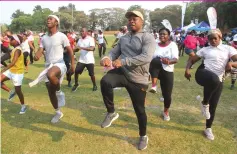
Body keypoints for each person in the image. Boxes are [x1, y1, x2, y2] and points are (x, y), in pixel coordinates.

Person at [100, 11, 156, 150]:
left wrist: (124, 61)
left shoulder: (147, 37)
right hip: (122, 73)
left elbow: (146, 57)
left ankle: (143, 136)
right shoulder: (124, 38)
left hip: (138, 79)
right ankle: (111, 112)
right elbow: (114, 51)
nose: (131, 21)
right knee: (105, 81)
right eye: (129, 19)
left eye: (134, 19)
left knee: (139, 110)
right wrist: (107, 58)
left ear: (142, 21)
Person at [184, 29, 237, 140]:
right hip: (203, 73)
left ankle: (208, 128)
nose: (213, 40)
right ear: (207, 39)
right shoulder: (205, 50)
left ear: (220, 38)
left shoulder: (228, 49)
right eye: (210, 38)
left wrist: (231, 63)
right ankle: (204, 103)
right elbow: (192, 60)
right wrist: (187, 69)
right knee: (213, 79)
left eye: (215, 38)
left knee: (213, 105)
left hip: (218, 80)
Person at [34, 15, 75, 123]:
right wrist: (37, 55)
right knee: (50, 92)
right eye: (47, 19)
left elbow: (70, 51)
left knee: (50, 75)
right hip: (48, 65)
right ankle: (58, 112)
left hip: (60, 64)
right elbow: (40, 49)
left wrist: (73, 65)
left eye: (51, 19)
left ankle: (60, 92)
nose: (48, 20)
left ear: (56, 23)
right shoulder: (44, 37)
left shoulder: (62, 36)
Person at [149, 28, 179, 121]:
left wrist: (168, 61)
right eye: (160, 34)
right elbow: (151, 59)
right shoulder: (155, 45)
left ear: (169, 35)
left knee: (167, 95)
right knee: (156, 60)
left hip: (167, 71)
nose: (162, 35)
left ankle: (166, 111)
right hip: (156, 71)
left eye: (164, 34)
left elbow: (176, 59)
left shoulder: (172, 45)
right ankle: (154, 85)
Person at [1, 34, 27, 114]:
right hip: (11, 71)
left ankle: (23, 106)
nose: (10, 40)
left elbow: (13, 63)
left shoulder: (18, 50)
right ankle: (11, 92)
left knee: (18, 91)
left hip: (18, 73)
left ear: (16, 41)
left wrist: (2, 70)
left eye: (12, 39)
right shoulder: (14, 49)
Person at [71, 28, 97, 92]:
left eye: (83, 31)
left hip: (89, 60)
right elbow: (77, 49)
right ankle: (76, 84)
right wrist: (73, 50)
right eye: (81, 31)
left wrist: (81, 47)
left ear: (86, 32)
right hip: (82, 60)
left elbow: (92, 48)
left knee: (91, 74)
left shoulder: (90, 39)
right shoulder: (80, 40)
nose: (81, 32)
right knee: (76, 71)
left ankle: (94, 85)